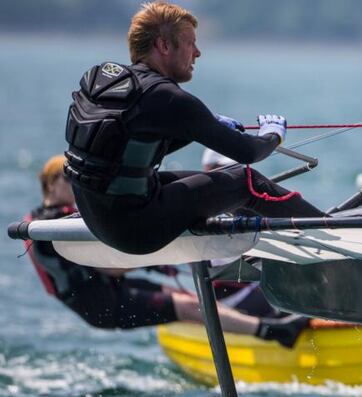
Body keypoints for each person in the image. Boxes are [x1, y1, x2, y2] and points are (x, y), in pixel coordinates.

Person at [63, 1, 324, 257]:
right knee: (246, 181)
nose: (197, 52)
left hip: (98, 218)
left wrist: (202, 128)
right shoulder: (167, 97)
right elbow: (247, 152)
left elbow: (128, 149)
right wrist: (273, 134)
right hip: (136, 229)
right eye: (190, 43)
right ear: (164, 45)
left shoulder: (106, 82)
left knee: (219, 180)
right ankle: (328, 228)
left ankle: (271, 248)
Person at [27, 155, 308, 348]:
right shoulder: (47, 226)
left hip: (108, 288)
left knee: (184, 298)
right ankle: (273, 332)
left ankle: (249, 325)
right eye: (69, 179)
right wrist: (159, 255)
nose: (77, 186)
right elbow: (110, 266)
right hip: (100, 304)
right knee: (187, 306)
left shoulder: (57, 217)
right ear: (51, 183)